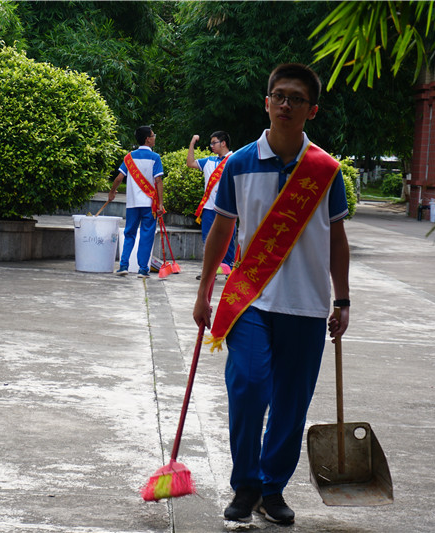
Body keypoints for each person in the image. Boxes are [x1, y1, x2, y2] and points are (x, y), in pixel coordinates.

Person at [192, 63, 350, 525]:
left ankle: (272, 488)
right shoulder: (239, 163)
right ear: (267, 102)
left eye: (296, 99)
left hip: (306, 304)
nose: (285, 104)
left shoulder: (325, 170)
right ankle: (245, 486)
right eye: (279, 96)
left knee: (290, 404)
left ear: (311, 110)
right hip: (250, 301)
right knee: (248, 386)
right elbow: (221, 229)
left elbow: (336, 240)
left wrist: (342, 300)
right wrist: (204, 292)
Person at [108, 125, 165, 278]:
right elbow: (158, 180)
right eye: (153, 135)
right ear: (147, 139)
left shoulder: (129, 157)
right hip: (149, 205)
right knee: (147, 235)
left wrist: (112, 192)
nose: (154, 137)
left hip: (132, 204)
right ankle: (142, 269)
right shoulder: (155, 158)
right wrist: (160, 203)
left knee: (129, 234)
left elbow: (119, 178)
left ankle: (123, 266)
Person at [187, 130, 236, 278]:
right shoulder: (208, 161)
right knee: (207, 240)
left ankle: (229, 269)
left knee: (228, 239)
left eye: (214, 143)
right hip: (209, 208)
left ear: (223, 143)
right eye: (211, 143)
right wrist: (192, 143)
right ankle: (209, 271)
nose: (211, 146)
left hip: (228, 208)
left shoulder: (235, 159)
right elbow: (190, 163)